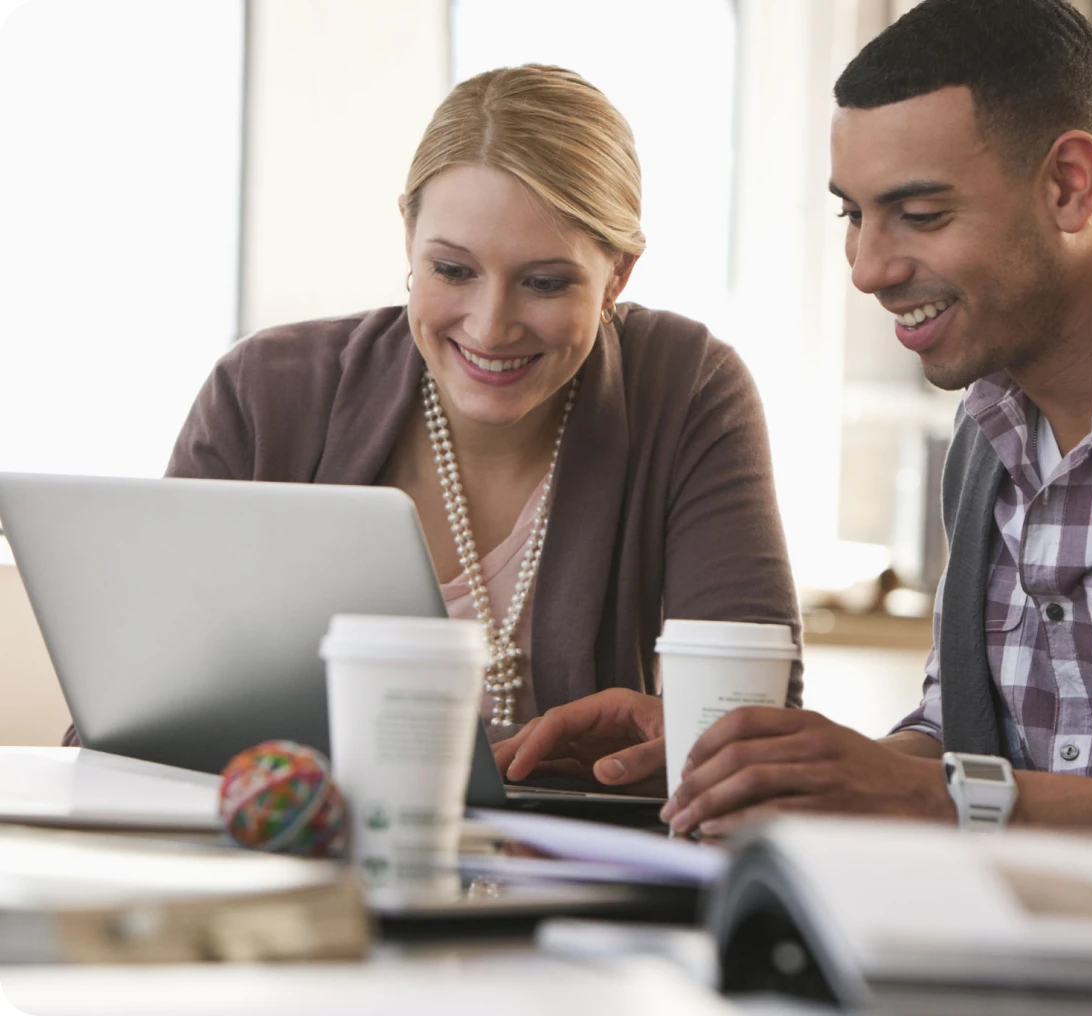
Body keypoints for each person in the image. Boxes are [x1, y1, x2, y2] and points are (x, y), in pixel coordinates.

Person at [63, 65, 800, 787]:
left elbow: (757, 729)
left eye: (545, 283)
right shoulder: (264, 392)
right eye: (452, 270)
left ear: (618, 276)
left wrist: (688, 742)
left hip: (567, 880)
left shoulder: (687, 388)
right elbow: (131, 729)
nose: (491, 325)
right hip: (300, 860)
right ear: (409, 235)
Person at [660, 0, 1092, 835]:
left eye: (920, 215)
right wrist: (755, 765)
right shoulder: (990, 428)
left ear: (1069, 184)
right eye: (853, 213)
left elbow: (958, 795)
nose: (868, 269)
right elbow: (960, 746)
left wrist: (935, 798)